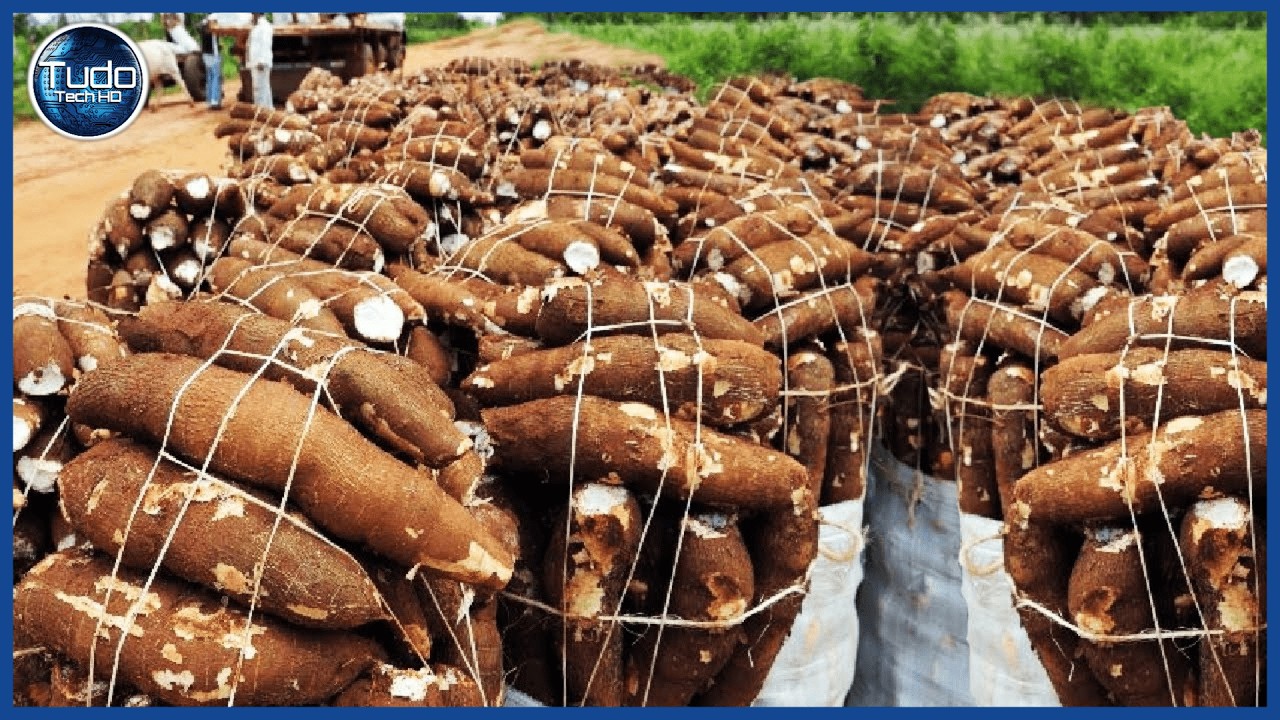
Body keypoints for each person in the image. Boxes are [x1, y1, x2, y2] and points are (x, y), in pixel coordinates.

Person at [247, 12, 274, 109]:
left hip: (261, 63)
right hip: (255, 62)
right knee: (262, 88)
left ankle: (262, 111)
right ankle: (267, 110)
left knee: (260, 89)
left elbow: (265, 44)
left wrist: (261, 61)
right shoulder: (256, 26)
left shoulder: (264, 26)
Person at [199, 17, 222, 110]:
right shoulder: (212, 29)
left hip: (206, 55)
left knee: (209, 78)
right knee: (215, 78)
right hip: (213, 55)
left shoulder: (203, 27)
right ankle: (214, 101)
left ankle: (209, 101)